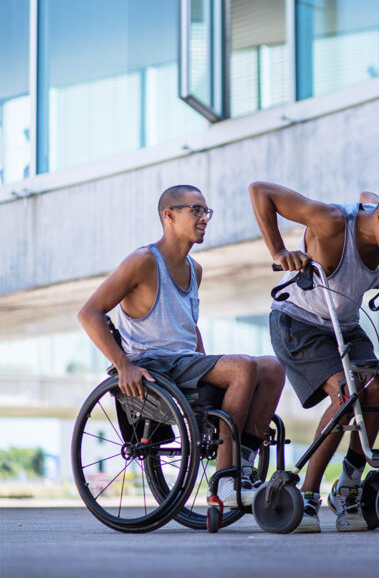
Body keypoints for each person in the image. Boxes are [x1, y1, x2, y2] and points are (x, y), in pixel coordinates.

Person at [78, 185, 285, 511]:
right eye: (196, 210)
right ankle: (225, 481)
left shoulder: (194, 269)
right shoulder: (143, 261)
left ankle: (242, 464)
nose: (205, 218)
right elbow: (88, 312)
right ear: (169, 215)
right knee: (243, 366)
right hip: (153, 363)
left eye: (206, 211)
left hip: (185, 362)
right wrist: (123, 366)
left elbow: (187, 325)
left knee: (272, 367)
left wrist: (209, 362)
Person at [249, 181, 379, 532]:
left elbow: (367, 196)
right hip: (297, 321)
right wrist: (279, 250)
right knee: (347, 394)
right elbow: (260, 192)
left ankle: (348, 485)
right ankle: (308, 496)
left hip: (342, 324)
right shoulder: (330, 222)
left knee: (376, 388)